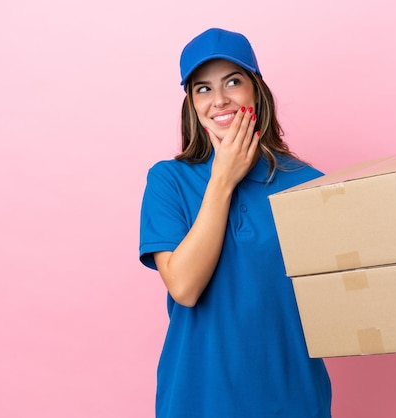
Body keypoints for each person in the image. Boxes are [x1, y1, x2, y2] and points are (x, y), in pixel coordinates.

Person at [139, 28, 332, 418]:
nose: (220, 100)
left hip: (292, 397)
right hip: (197, 398)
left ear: (256, 90)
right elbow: (185, 288)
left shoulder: (309, 184)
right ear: (191, 103)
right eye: (203, 89)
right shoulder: (168, 181)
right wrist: (223, 179)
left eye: (233, 81)